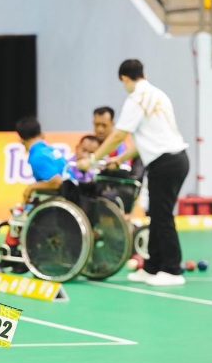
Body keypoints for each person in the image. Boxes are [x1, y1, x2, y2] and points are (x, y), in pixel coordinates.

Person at [78, 59, 189, 287]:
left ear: (124, 79)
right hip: (173, 160)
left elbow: (118, 135)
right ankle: (152, 267)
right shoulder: (158, 94)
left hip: (166, 162)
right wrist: (119, 159)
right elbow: (145, 140)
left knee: (163, 215)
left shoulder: (136, 99)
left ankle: (172, 270)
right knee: (156, 215)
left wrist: (92, 159)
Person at [15, 116, 68, 203]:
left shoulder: (38, 156)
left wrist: (31, 187)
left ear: (21, 139)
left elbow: (57, 182)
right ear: (39, 133)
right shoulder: (51, 150)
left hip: (66, 197)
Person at [93, 106, 144, 179]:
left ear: (112, 123)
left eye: (104, 125)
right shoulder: (88, 143)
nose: (100, 129)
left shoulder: (120, 146)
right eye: (97, 125)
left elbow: (125, 169)